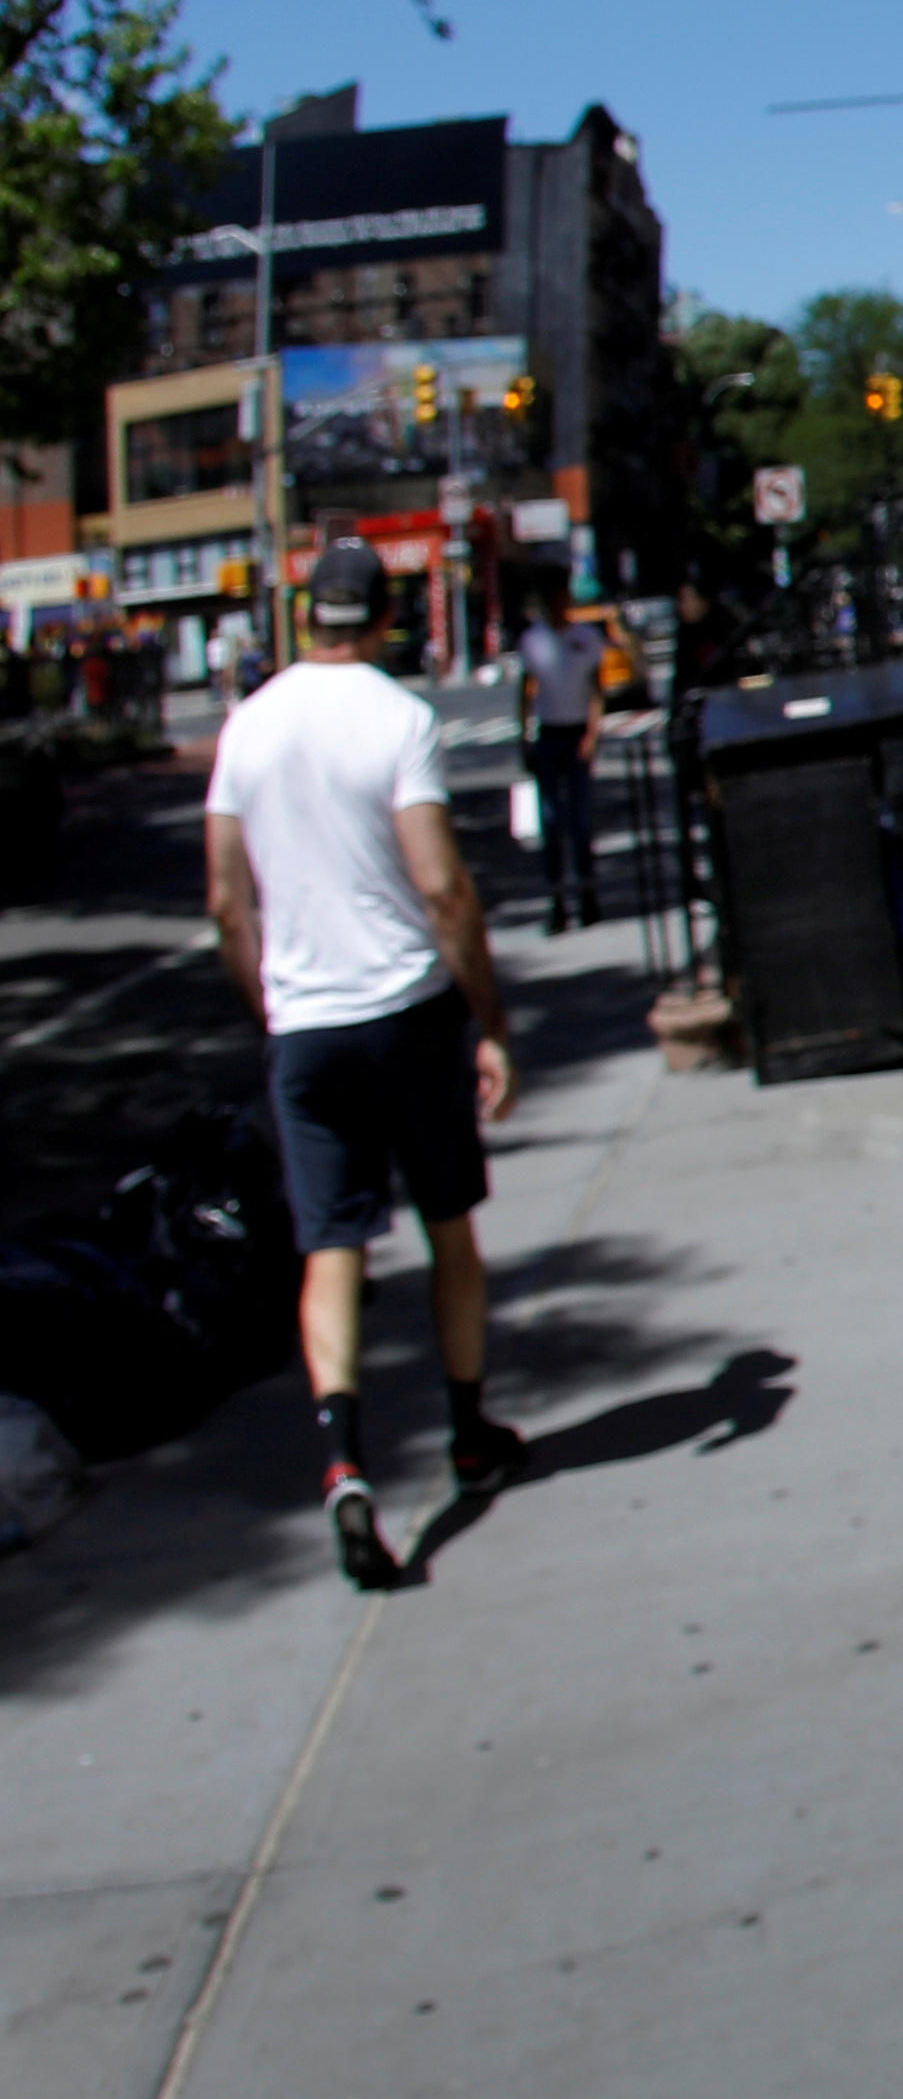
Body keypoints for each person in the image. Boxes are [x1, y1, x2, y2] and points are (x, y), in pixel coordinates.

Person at [205, 535, 522, 1591]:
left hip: (306, 1029)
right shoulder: (399, 718)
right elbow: (441, 885)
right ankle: (469, 1428)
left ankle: (343, 1460)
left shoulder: (247, 725)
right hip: (406, 1011)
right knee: (448, 1227)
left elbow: (224, 898)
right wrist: (487, 1016)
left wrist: (271, 1007)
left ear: (306, 616)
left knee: (330, 1248)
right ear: (386, 619)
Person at [513, 592, 607, 928]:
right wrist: (523, 735)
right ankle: (557, 902)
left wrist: (592, 735)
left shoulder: (585, 638)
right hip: (549, 734)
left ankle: (587, 895)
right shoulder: (533, 641)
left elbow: (597, 689)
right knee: (551, 820)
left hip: (576, 731)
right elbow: (525, 690)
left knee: (581, 820)